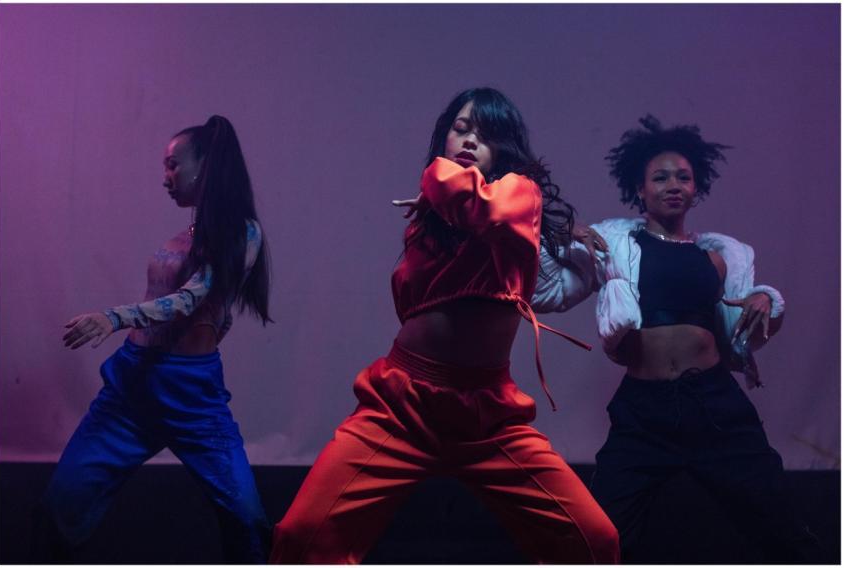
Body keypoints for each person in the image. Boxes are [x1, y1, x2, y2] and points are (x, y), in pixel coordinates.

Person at [268, 88, 619, 564]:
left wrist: (438, 179)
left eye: (485, 134)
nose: (470, 140)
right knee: (301, 536)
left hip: (485, 415)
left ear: (505, 149)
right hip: (401, 404)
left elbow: (476, 203)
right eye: (461, 128)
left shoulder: (520, 193)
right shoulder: (428, 224)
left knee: (592, 540)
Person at [532, 115, 822, 562]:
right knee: (599, 533)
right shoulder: (613, 244)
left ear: (695, 187)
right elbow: (547, 288)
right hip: (644, 410)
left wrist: (766, 297)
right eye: (661, 177)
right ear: (640, 189)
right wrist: (558, 230)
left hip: (713, 405)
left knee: (779, 524)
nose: (673, 185)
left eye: (683, 177)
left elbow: (745, 311)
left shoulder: (721, 256)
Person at [34, 115, 272, 563]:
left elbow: (193, 298)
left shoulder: (243, 232)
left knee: (247, 518)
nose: (165, 177)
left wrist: (114, 317)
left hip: (191, 397)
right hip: (132, 388)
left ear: (206, 166)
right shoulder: (186, 235)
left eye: (173, 165)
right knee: (62, 503)